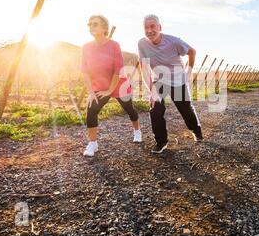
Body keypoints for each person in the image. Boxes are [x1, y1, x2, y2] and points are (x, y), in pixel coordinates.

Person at [138, 14, 203, 154]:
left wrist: (189, 72)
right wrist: (152, 90)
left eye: (152, 26)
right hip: (159, 80)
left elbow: (192, 52)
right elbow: (144, 68)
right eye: (146, 27)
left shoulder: (173, 41)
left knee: (185, 109)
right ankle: (161, 142)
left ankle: (196, 130)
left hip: (178, 80)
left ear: (159, 27)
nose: (149, 30)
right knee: (155, 109)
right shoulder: (142, 44)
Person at [80, 14, 142, 157]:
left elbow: (118, 69)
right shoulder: (86, 47)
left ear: (104, 27)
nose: (91, 27)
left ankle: (137, 131)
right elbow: (85, 72)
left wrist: (110, 90)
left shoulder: (114, 45)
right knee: (91, 108)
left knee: (129, 108)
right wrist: (91, 92)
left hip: (119, 84)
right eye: (89, 24)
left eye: (95, 24)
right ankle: (93, 143)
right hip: (100, 85)